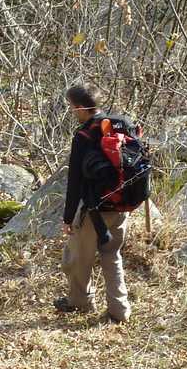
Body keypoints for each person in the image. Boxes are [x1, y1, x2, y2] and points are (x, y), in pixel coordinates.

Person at [55, 84, 132, 323]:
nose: (72, 112)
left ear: (79, 108)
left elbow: (75, 182)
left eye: (71, 108)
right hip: (121, 205)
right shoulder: (122, 125)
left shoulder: (84, 136)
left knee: (78, 256)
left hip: (93, 209)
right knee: (111, 254)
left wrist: (68, 218)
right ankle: (120, 310)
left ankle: (80, 301)